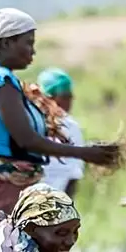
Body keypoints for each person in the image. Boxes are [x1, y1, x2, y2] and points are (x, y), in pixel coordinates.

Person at [0, 7, 118, 245]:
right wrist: (84, 153)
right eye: (28, 43)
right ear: (7, 43)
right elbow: (26, 140)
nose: (33, 51)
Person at [36, 68, 85, 198]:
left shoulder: (71, 127)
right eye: (65, 96)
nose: (70, 100)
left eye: (70, 96)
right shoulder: (30, 125)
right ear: (48, 97)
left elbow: (74, 175)